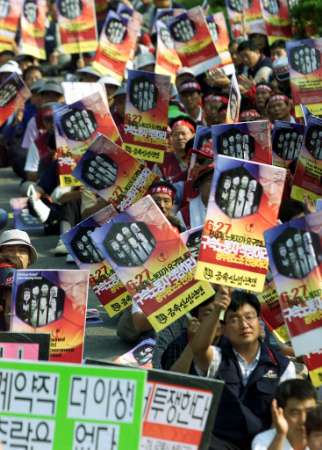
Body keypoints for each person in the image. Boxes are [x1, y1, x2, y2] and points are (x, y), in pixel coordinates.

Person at [190, 290, 296, 450]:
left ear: (259, 323)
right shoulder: (217, 357)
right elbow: (198, 349)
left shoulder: (283, 366)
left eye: (249, 317)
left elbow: (284, 417)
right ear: (224, 328)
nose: (244, 324)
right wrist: (218, 308)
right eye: (234, 319)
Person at [251, 379, 317, 450]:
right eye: (295, 413)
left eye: (310, 411)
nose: (303, 420)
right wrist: (280, 435)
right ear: (280, 413)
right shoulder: (264, 440)